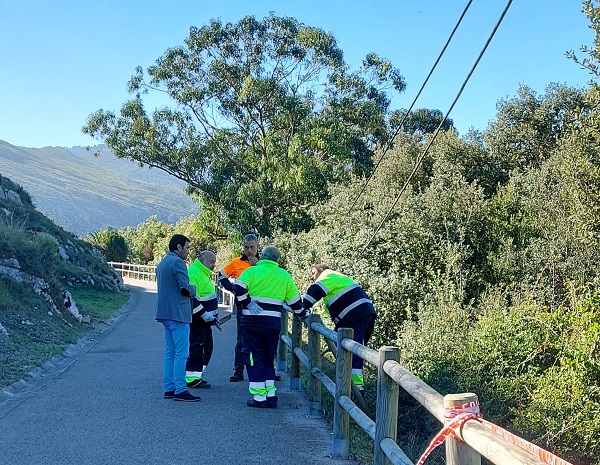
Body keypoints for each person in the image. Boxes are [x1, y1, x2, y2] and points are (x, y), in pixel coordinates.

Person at [233, 245, 306, 408]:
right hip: (272, 324)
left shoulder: (251, 271)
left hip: (252, 323)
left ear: (263, 256)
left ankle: (259, 398)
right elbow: (295, 302)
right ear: (277, 260)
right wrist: (304, 315)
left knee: (254, 358)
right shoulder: (284, 275)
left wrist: (248, 302)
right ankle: (271, 395)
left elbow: (237, 288)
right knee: (268, 358)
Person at [302, 264, 377, 397]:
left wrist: (302, 308)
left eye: (313, 273)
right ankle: (352, 388)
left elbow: (316, 290)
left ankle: (355, 392)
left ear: (321, 270)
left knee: (353, 353)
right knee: (352, 350)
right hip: (362, 314)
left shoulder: (327, 275)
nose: (311, 277)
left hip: (356, 314)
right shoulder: (338, 280)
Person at [155, 234, 201, 402]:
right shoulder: (178, 263)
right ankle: (181, 389)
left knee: (170, 352)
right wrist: (194, 289)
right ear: (179, 247)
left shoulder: (162, 263)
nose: (188, 251)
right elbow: (185, 288)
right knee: (182, 353)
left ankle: (169, 388)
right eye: (187, 248)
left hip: (164, 313)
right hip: (178, 314)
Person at [217, 233, 259, 382]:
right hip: (242, 306)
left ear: (257, 246)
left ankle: (266, 369)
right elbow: (221, 276)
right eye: (246, 247)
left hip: (260, 305)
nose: (249, 250)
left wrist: (257, 266)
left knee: (262, 338)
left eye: (252, 247)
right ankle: (238, 371)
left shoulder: (263, 262)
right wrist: (233, 288)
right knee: (241, 338)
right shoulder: (236, 262)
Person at [186, 250, 220, 389]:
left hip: (205, 322)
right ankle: (192, 378)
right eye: (211, 262)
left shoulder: (203, 273)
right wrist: (205, 315)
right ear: (202, 260)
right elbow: (192, 300)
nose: (213, 265)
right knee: (197, 348)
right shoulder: (194, 274)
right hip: (198, 321)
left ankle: (196, 375)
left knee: (206, 348)